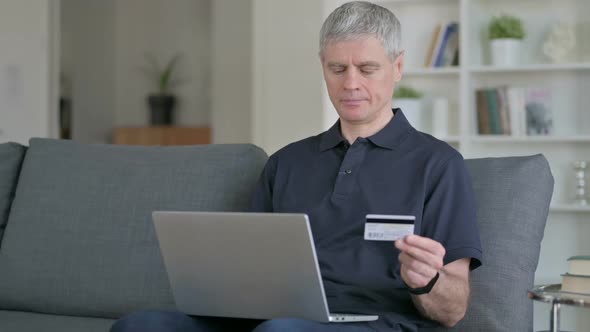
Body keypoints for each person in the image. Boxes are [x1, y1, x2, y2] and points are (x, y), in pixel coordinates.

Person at [110, 1, 482, 331]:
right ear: (323, 66)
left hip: (375, 322)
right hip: (274, 318)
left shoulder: (438, 165)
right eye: (338, 68)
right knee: (139, 324)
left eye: (367, 68)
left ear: (397, 67)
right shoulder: (287, 163)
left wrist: (427, 280)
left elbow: (453, 309)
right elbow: (249, 269)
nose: (350, 83)